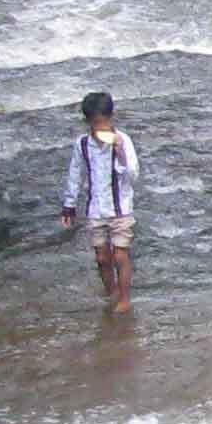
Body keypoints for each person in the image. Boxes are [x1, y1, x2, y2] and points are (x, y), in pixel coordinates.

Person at [59, 90, 141, 313]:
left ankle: (124, 299)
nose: (101, 127)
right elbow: (75, 173)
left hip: (121, 208)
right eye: (96, 123)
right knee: (102, 258)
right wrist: (69, 204)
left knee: (120, 254)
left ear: (112, 117)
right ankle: (111, 292)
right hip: (95, 209)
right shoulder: (82, 144)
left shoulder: (123, 140)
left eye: (105, 121)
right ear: (88, 122)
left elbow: (133, 176)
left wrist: (120, 153)